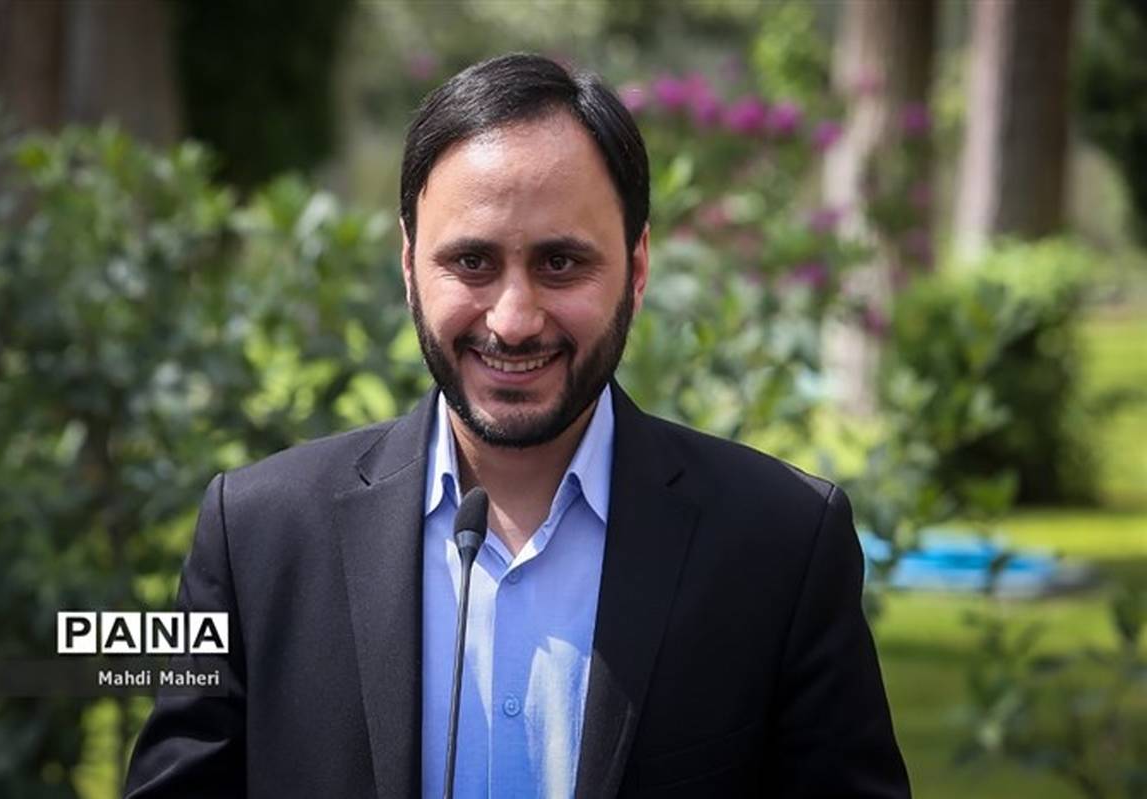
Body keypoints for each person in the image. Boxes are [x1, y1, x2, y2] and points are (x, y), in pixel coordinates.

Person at [125, 53, 910, 798]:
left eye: (560, 264)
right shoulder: (253, 535)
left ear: (637, 268)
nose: (513, 319)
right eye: (471, 262)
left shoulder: (782, 544)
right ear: (408, 265)